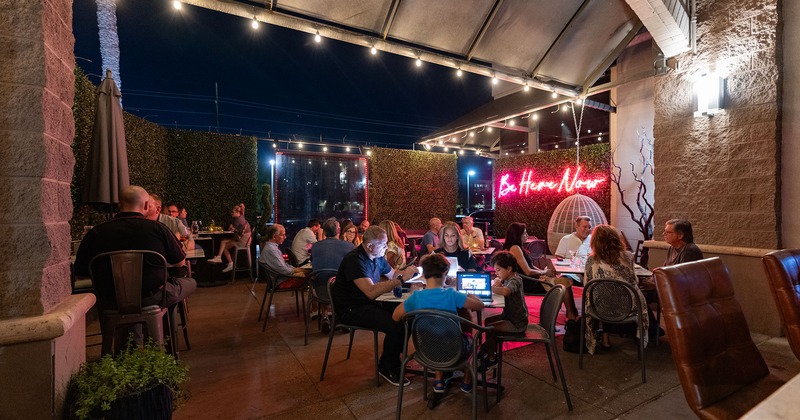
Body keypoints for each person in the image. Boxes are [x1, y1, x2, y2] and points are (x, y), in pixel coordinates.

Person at [74, 186, 196, 338]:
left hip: (110, 300)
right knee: (189, 283)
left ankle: (134, 341)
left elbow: (81, 271)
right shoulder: (158, 229)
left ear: (119, 205)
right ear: (146, 206)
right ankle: (165, 339)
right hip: (152, 296)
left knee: (134, 299)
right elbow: (179, 262)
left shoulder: (95, 233)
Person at [331, 225, 418, 386]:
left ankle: (393, 358)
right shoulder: (355, 260)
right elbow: (370, 291)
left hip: (371, 303)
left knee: (408, 314)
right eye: (383, 244)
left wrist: (416, 274)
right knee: (396, 325)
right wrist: (401, 280)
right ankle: (387, 367)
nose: (386, 247)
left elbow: (393, 274)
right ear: (370, 245)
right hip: (352, 308)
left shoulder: (377, 257)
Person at [392, 253, 484, 393]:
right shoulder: (452, 295)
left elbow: (395, 316)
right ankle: (466, 379)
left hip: (425, 350)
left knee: (435, 337)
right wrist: (467, 292)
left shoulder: (416, 297)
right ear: (445, 273)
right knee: (472, 340)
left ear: (423, 275)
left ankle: (439, 379)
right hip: (455, 349)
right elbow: (480, 305)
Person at [583, 225, 649, 354]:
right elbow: (633, 280)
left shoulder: (591, 260)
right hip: (627, 307)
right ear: (616, 239)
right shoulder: (628, 256)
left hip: (599, 308)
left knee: (605, 296)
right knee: (629, 295)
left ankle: (604, 338)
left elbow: (587, 284)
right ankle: (641, 336)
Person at [504, 222, 579, 321]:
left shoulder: (517, 247)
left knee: (565, 281)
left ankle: (571, 315)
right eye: (524, 233)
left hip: (531, 279)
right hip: (528, 283)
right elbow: (528, 271)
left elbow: (530, 266)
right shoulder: (515, 248)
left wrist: (543, 272)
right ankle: (571, 316)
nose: (527, 235)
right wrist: (544, 273)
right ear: (518, 235)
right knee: (564, 283)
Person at [481, 251, 529, 366]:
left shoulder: (515, 280)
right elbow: (501, 283)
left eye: (498, 270)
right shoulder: (509, 277)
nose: (496, 273)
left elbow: (506, 291)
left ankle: (490, 357)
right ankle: (487, 350)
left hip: (516, 322)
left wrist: (490, 288)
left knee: (490, 328)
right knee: (488, 322)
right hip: (510, 316)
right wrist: (499, 280)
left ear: (508, 269)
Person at [258, 224, 307, 288]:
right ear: (274, 236)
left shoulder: (272, 248)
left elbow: (283, 266)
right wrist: (296, 270)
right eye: (282, 235)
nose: (285, 237)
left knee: (308, 272)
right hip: (281, 281)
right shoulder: (271, 250)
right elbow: (284, 270)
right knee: (312, 276)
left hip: (282, 278)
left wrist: (297, 269)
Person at [208, 204, 251, 272]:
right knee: (223, 241)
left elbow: (231, 229)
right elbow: (233, 229)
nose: (231, 213)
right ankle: (220, 258)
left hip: (242, 241)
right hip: (244, 240)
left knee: (224, 246)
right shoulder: (241, 217)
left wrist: (232, 228)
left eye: (233, 212)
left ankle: (228, 262)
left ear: (237, 213)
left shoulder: (238, 220)